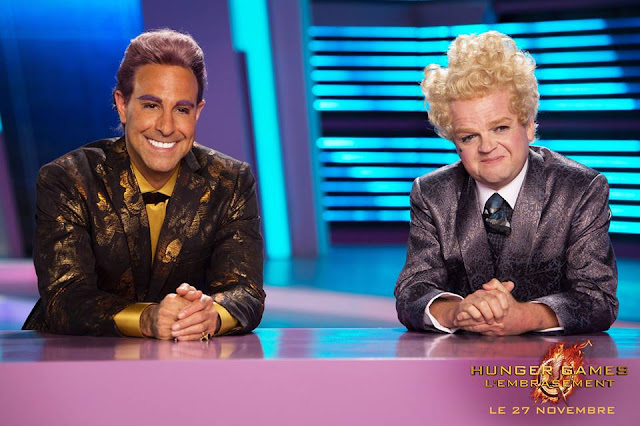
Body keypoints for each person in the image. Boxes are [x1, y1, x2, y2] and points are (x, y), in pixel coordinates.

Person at [23, 29, 265, 340]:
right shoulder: (69, 178)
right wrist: (147, 318)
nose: (166, 126)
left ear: (197, 112)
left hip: (186, 357)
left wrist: (210, 316)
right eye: (151, 105)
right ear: (122, 105)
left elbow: (245, 292)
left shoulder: (230, 181)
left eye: (182, 109)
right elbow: (65, 297)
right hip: (72, 357)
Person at [395, 31, 618, 336]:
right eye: (469, 137)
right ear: (455, 143)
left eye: (500, 128)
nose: (487, 147)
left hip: (552, 361)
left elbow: (598, 299)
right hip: (458, 359)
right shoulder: (432, 194)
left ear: (528, 125)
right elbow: (412, 291)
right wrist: (458, 312)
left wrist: (526, 316)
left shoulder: (580, 189)